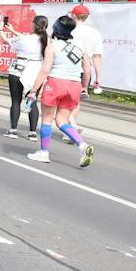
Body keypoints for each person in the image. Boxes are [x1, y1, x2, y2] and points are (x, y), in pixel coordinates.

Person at [26, 15, 93, 168]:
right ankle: (82, 145)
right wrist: (84, 86)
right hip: (74, 85)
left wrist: (33, 90)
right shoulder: (80, 46)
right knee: (62, 120)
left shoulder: (52, 46)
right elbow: (87, 69)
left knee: (47, 120)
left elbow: (45, 70)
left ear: (55, 28)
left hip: (56, 83)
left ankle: (44, 152)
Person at [1, 14, 47, 139]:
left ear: (33, 25)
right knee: (32, 101)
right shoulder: (46, 40)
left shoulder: (25, 39)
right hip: (36, 72)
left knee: (16, 101)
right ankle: (32, 133)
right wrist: (12, 30)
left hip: (19, 70)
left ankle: (13, 129)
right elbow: (24, 37)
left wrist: (1, 29)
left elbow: (5, 40)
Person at [69, 3, 104, 92]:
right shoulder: (95, 33)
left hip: (66, 69)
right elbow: (97, 57)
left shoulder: (68, 30)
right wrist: (99, 77)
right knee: (76, 101)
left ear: (73, 15)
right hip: (85, 72)